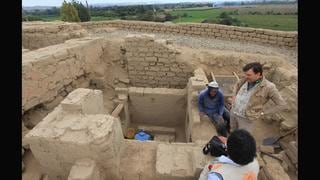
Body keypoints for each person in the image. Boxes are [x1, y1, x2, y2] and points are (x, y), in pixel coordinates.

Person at [230, 62, 287, 132]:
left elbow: (282, 105)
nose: (245, 76)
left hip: (246, 118)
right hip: (234, 112)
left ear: (258, 74)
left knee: (242, 137)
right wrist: (234, 96)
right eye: (245, 74)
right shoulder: (245, 79)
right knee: (232, 131)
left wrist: (263, 113)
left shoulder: (269, 87)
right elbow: (237, 85)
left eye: (248, 75)